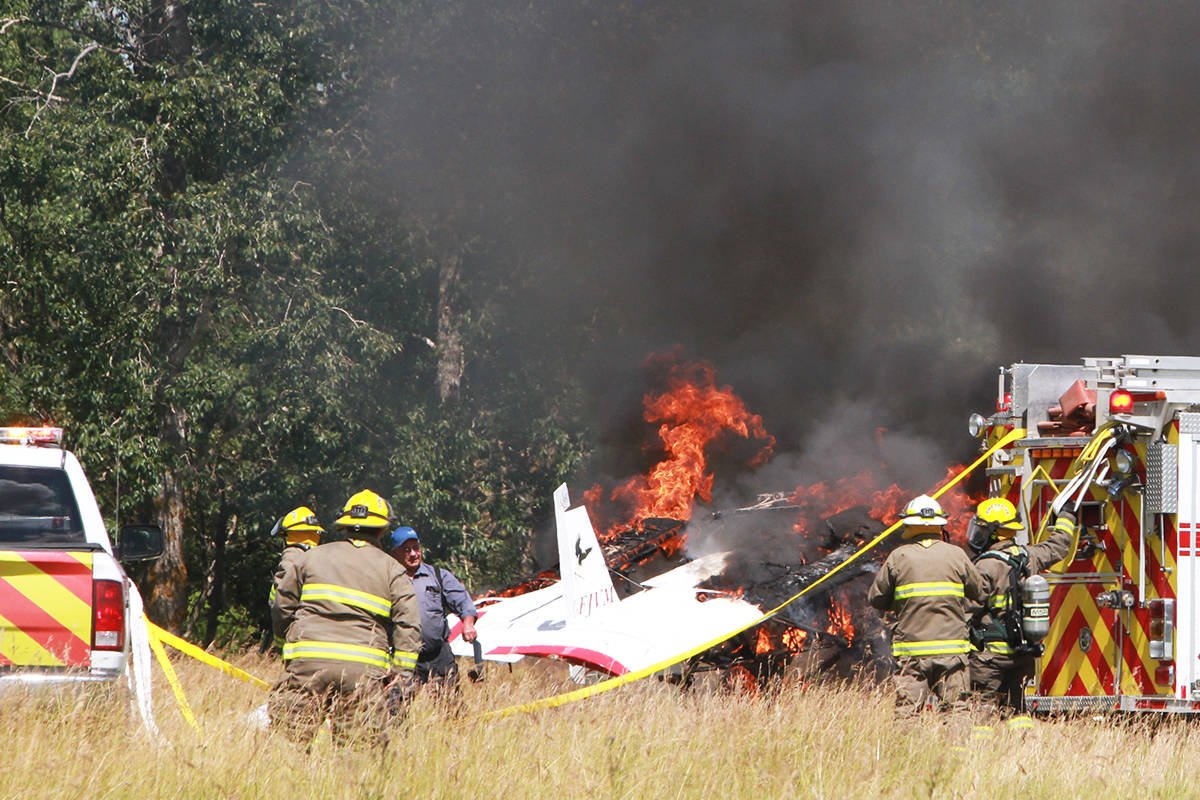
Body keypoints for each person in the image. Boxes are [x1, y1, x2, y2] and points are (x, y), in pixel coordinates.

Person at [269, 489, 422, 747]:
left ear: (345, 526)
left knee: (289, 747)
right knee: (358, 755)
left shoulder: (309, 558)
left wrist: (286, 648)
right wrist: (401, 673)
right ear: (382, 530)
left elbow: (281, 604)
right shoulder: (393, 570)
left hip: (308, 664)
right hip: (363, 672)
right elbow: (409, 625)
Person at [867, 493, 985, 717]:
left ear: (909, 524)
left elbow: (876, 598)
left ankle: (907, 752)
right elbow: (979, 593)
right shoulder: (956, 555)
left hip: (912, 652)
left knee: (908, 712)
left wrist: (900, 603)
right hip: (952, 651)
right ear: (940, 525)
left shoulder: (898, 557)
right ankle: (957, 751)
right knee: (956, 710)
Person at [966, 497, 1077, 715]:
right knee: (1016, 711)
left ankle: (981, 747)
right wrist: (1067, 515)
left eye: (981, 529)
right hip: (1022, 654)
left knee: (982, 712)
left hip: (989, 657)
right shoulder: (1029, 557)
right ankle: (1020, 743)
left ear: (994, 532)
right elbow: (1059, 545)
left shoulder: (985, 566)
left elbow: (967, 609)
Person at [388, 526, 478, 695]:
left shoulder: (438, 575)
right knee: (396, 710)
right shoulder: (389, 580)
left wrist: (468, 624)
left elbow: (463, 602)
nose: (414, 554)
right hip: (404, 656)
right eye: (407, 550)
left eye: (416, 548)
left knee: (450, 708)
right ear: (395, 553)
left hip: (439, 655)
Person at [268, 506, 324, 650]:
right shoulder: (324, 560)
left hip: (299, 642)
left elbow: (280, 606)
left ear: (288, 536)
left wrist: (280, 645)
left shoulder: (291, 560)